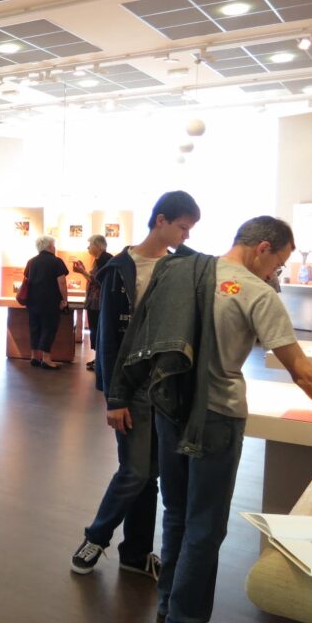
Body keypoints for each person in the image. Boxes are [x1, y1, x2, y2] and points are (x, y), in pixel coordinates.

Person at [108, 216, 312, 623]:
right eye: (278, 263)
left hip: (169, 407)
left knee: (176, 513)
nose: (276, 273)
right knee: (205, 524)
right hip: (216, 416)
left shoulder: (181, 272)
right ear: (263, 248)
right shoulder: (255, 292)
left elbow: (139, 336)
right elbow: (304, 373)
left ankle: (170, 608)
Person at [71, 190, 200, 579]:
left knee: (151, 475)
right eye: (182, 227)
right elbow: (107, 336)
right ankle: (96, 536)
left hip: (170, 389)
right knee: (135, 471)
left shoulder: (185, 266)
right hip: (133, 388)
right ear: (160, 220)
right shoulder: (119, 270)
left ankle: (137, 552)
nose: (186, 236)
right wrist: (114, 398)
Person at [23, 235, 69, 370]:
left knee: (34, 327)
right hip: (50, 301)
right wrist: (64, 299)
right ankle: (46, 359)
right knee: (48, 328)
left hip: (32, 301)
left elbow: (26, 278)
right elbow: (62, 282)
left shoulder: (31, 261)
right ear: (49, 246)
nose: (54, 248)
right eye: (54, 245)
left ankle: (34, 357)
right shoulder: (56, 262)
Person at [73, 234, 112, 372]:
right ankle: (98, 358)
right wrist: (82, 272)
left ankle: (101, 360)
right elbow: (92, 279)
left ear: (97, 245)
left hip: (99, 302)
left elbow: (100, 280)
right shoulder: (99, 260)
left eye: (90, 244)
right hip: (94, 302)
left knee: (98, 329)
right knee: (95, 329)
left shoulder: (106, 259)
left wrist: (83, 271)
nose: (88, 247)